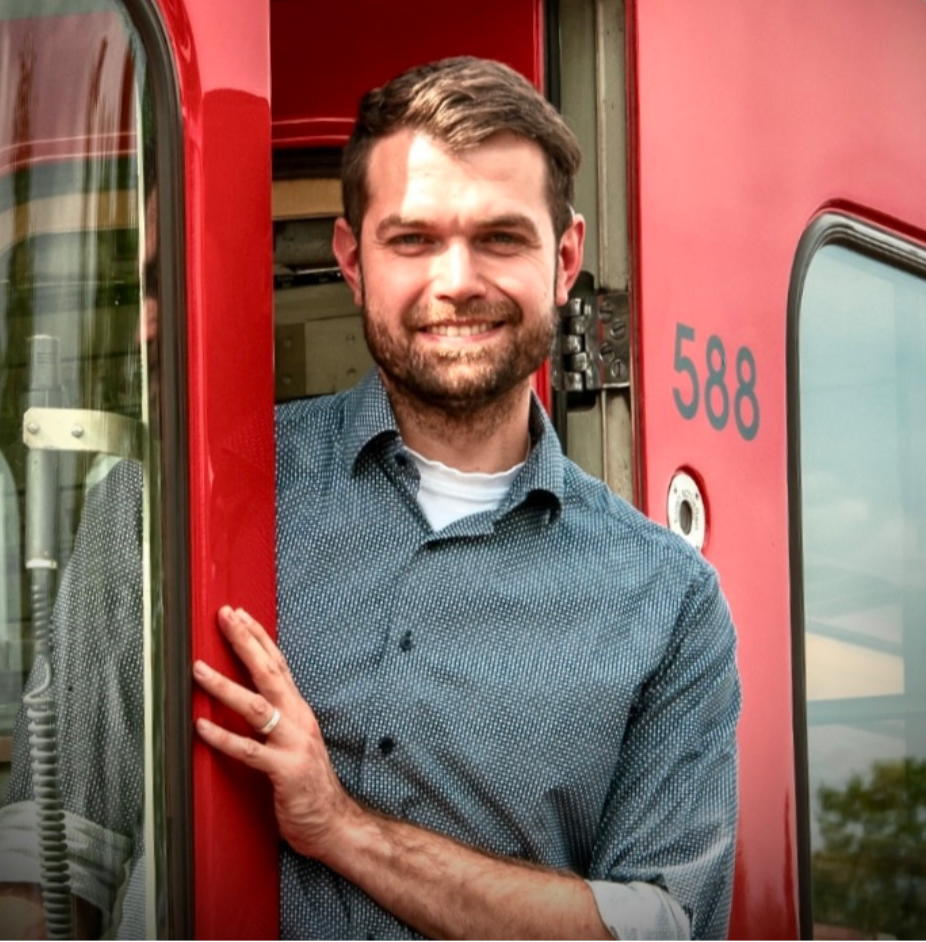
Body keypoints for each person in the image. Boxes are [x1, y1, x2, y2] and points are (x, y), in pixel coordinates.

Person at [193, 56, 741, 940]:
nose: (457, 281)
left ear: (564, 260)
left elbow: (663, 928)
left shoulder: (670, 604)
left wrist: (342, 828)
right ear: (351, 258)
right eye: (412, 240)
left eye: (500, 238)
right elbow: (51, 860)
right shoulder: (193, 500)